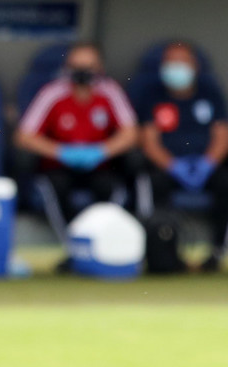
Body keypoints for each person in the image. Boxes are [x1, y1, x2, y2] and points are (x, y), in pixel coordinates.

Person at [16, 41, 138, 247]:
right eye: (76, 66)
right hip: (59, 167)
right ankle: (74, 249)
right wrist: (61, 152)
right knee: (56, 189)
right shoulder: (52, 92)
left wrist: (101, 151)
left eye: (88, 66)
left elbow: (131, 133)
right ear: (67, 68)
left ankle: (102, 245)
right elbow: (24, 136)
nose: (82, 72)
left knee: (110, 189)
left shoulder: (110, 91)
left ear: (100, 68)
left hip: (99, 165)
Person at [136, 41, 228, 272]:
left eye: (181, 61)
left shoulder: (210, 94)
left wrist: (208, 163)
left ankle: (217, 252)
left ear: (194, 65)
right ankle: (163, 255)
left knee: (225, 182)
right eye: (170, 62)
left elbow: (222, 135)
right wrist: (174, 166)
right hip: (168, 166)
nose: (175, 67)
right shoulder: (153, 96)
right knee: (152, 183)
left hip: (206, 165)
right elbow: (148, 141)